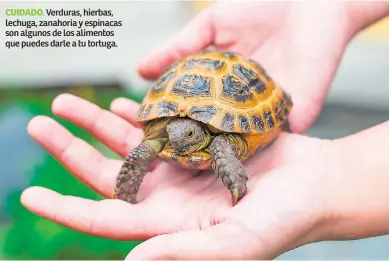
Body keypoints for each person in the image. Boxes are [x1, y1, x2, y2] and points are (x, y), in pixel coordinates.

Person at [21, 1, 389, 260]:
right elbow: (144, 150)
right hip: (183, 98)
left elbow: (220, 149)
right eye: (175, 137)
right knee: (147, 149)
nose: (179, 145)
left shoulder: (220, 141)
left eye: (189, 138)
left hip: (238, 93)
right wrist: (128, 186)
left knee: (220, 150)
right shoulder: (166, 134)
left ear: (200, 134)